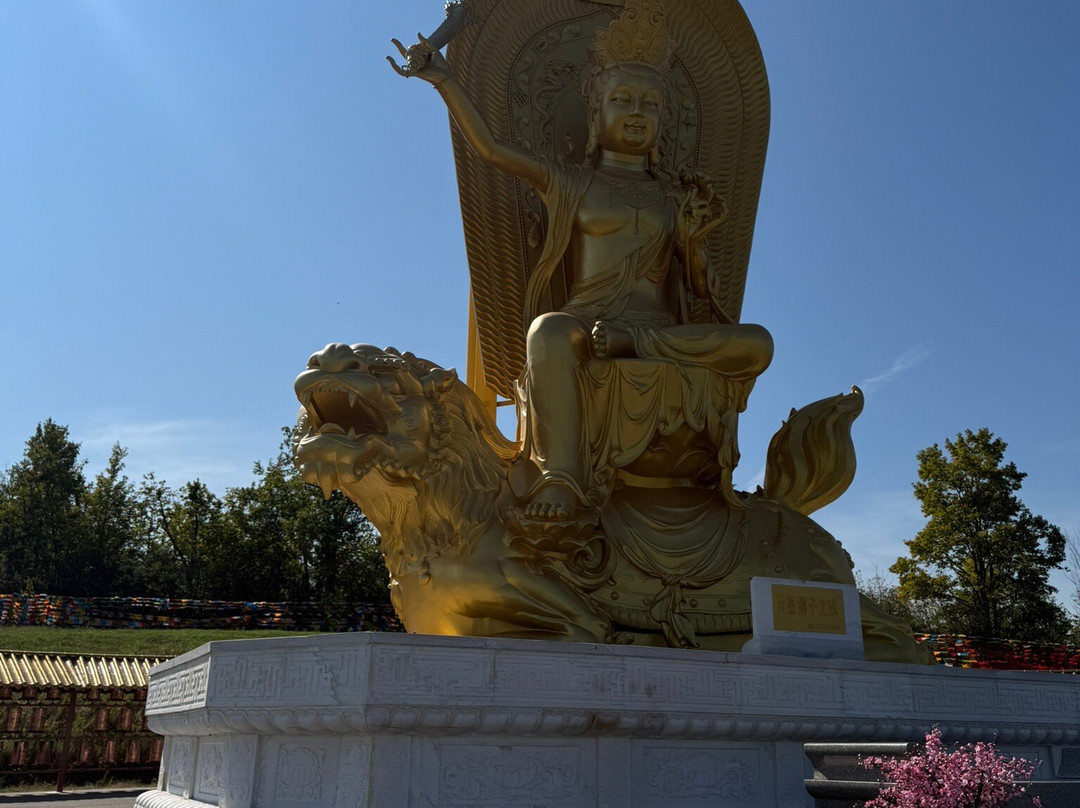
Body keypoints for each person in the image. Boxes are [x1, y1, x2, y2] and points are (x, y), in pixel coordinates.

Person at [390, 0, 772, 528]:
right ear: (596, 113)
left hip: (658, 331)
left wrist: (695, 242)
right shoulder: (573, 181)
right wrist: (445, 79)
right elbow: (494, 150)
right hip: (587, 323)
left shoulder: (674, 197)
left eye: (650, 104)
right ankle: (562, 476)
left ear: (666, 119)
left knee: (757, 342)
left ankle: (633, 348)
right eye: (622, 100)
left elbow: (698, 293)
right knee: (547, 331)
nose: (637, 113)